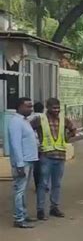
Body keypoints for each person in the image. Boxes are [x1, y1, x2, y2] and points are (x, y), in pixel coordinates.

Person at [30, 97, 76, 220]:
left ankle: (54, 208)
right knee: (43, 184)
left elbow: (73, 129)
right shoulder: (40, 119)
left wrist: (66, 138)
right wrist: (35, 144)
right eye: (54, 108)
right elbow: (29, 130)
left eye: (58, 108)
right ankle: (40, 210)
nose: (56, 110)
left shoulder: (63, 119)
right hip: (46, 156)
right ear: (48, 108)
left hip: (60, 156)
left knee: (57, 184)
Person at [8, 97, 38, 228]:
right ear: (19, 107)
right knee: (19, 190)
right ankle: (18, 219)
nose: (31, 109)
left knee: (23, 190)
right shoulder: (15, 122)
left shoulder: (25, 121)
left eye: (31, 106)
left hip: (29, 160)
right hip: (22, 162)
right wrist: (19, 164)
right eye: (28, 106)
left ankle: (23, 215)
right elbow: (15, 145)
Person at [31, 101, 44, 191]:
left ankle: (37, 186)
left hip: (33, 146)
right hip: (44, 145)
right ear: (43, 109)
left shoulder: (29, 118)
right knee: (45, 166)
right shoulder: (45, 118)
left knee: (36, 167)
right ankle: (44, 185)